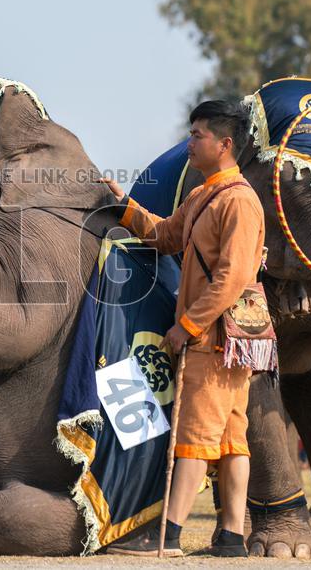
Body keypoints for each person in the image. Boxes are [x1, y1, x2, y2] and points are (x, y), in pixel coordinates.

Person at [101, 100, 264, 557]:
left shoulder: (239, 200)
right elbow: (166, 236)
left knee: (194, 435)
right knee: (231, 439)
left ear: (224, 144)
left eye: (198, 135)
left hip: (215, 340)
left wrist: (187, 326)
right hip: (224, 340)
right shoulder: (203, 195)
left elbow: (232, 277)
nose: (189, 143)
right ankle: (231, 538)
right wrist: (124, 206)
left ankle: (166, 535)